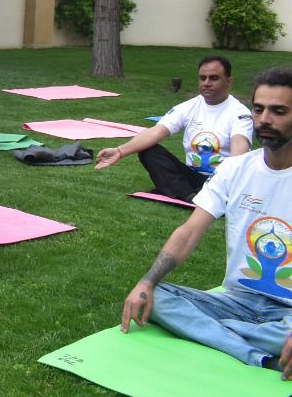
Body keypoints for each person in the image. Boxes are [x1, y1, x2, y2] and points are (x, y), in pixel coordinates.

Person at [120, 66, 292, 378]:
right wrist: (147, 281)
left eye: (278, 111)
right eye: (259, 109)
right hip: (236, 302)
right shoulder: (234, 170)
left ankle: (222, 336)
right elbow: (189, 231)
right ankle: (259, 353)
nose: (265, 120)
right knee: (155, 298)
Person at [95, 55, 253, 201]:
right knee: (149, 151)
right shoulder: (189, 107)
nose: (206, 83)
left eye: (214, 78)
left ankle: (187, 193)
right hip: (191, 176)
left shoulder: (239, 113)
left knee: (232, 173)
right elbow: (156, 132)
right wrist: (120, 151)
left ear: (229, 81)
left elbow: (239, 153)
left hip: (221, 179)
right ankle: (188, 195)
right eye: (202, 78)